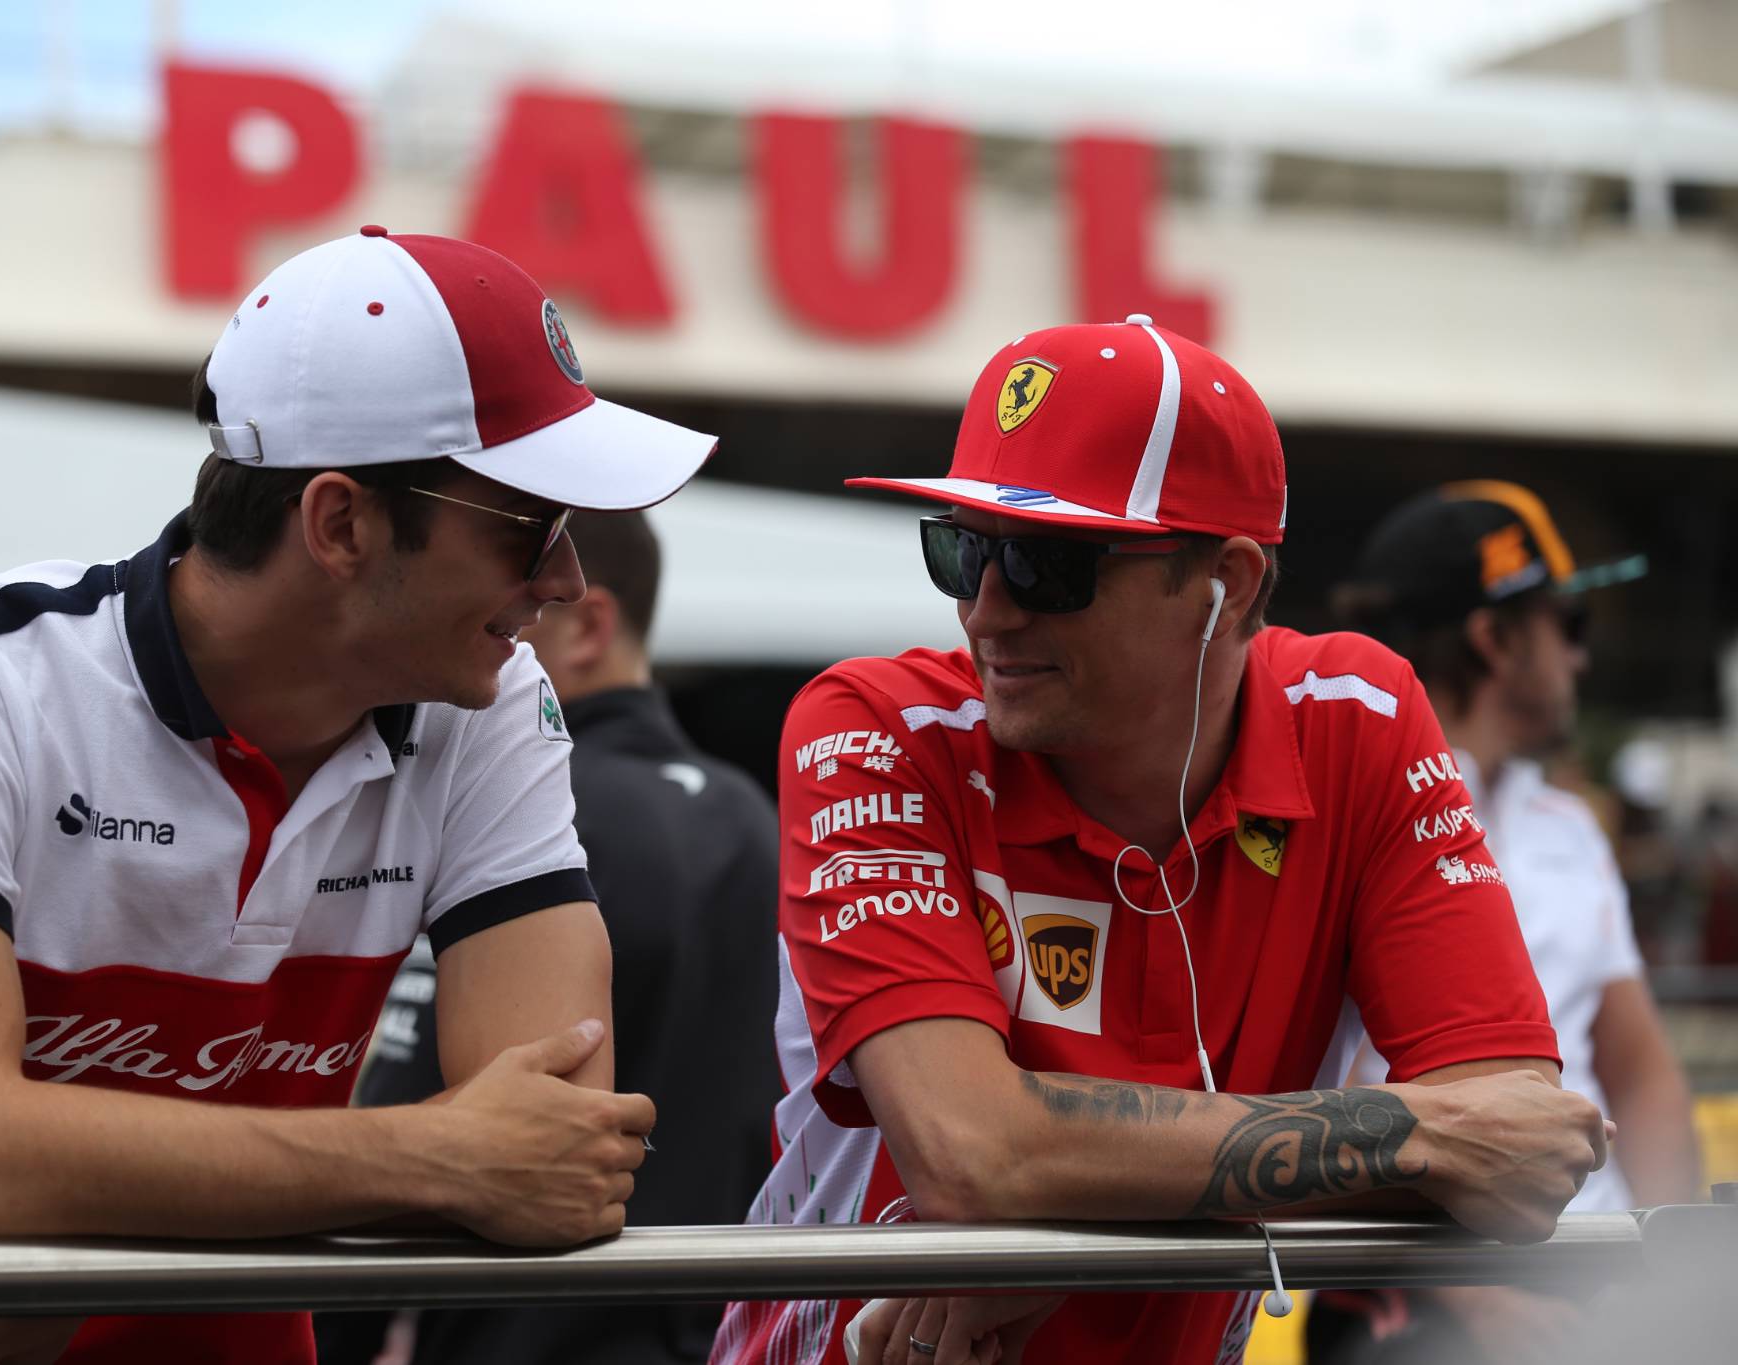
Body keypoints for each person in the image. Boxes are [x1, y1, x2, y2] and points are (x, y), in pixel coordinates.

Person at [0, 227, 717, 1365]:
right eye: (531, 525)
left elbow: (558, 1163)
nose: (564, 580)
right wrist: (437, 1156)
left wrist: (55, 1226)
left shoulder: (492, 702)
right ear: (340, 525)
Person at [708, 315, 1613, 1365]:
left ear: (1223, 583)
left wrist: (1056, 1215)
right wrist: (1411, 1136)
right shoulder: (874, 727)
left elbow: (1516, 1144)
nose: (985, 612)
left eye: (1046, 565)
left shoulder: (1356, 715)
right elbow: (970, 1156)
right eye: (959, 550)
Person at [319, 509, 782, 1365]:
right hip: (715, 1325)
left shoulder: (531, 816)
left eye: (520, 616)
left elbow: (406, 1131)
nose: (508, 633)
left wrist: (333, 1338)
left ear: (592, 624)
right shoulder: (755, 818)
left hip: (526, 1324)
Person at [1307, 482, 1700, 1365]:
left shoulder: (1568, 824)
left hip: (1597, 1295)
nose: (1581, 660)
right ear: (1493, 639)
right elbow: (1316, 1099)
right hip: (1413, 1310)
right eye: (1571, 625)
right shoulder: (1334, 817)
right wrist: (1477, 1299)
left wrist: (1683, 1280)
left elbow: (1640, 1076)